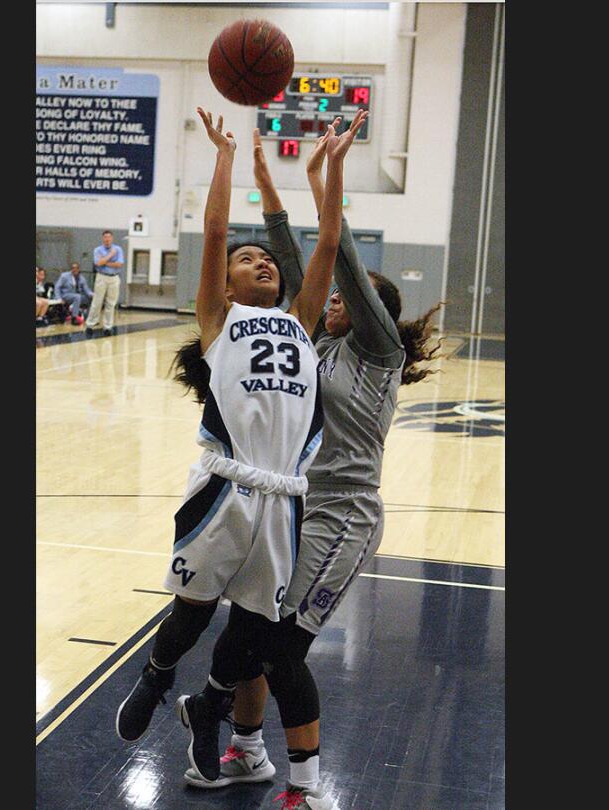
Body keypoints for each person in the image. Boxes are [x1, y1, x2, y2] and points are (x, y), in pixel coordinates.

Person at [179, 121, 443, 809]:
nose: (325, 303)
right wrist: (268, 183)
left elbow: (337, 256)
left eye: (339, 302)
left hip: (343, 517)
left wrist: (329, 174)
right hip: (289, 507)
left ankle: (310, 790)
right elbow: (302, 261)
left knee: (282, 650)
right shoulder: (309, 345)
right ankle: (245, 750)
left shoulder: (375, 355)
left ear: (366, 315)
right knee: (245, 623)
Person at [114, 106, 366, 789]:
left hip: (283, 496)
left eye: (264, 260)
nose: (259, 262)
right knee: (192, 612)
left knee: (255, 628)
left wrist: (335, 167)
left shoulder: (300, 322)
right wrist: (224, 157)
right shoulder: (219, 321)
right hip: (225, 486)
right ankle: (158, 675)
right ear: (224, 284)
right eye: (245, 261)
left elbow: (329, 243)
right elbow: (218, 228)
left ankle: (212, 708)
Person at [84, 230, 125, 332]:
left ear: (112, 238)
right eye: (105, 237)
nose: (107, 239)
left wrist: (105, 262)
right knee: (97, 301)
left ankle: (107, 326)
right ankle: (90, 324)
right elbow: (98, 263)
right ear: (103, 239)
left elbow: (119, 264)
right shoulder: (98, 250)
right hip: (102, 276)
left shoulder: (118, 249)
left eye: (109, 237)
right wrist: (110, 255)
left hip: (114, 277)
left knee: (111, 303)